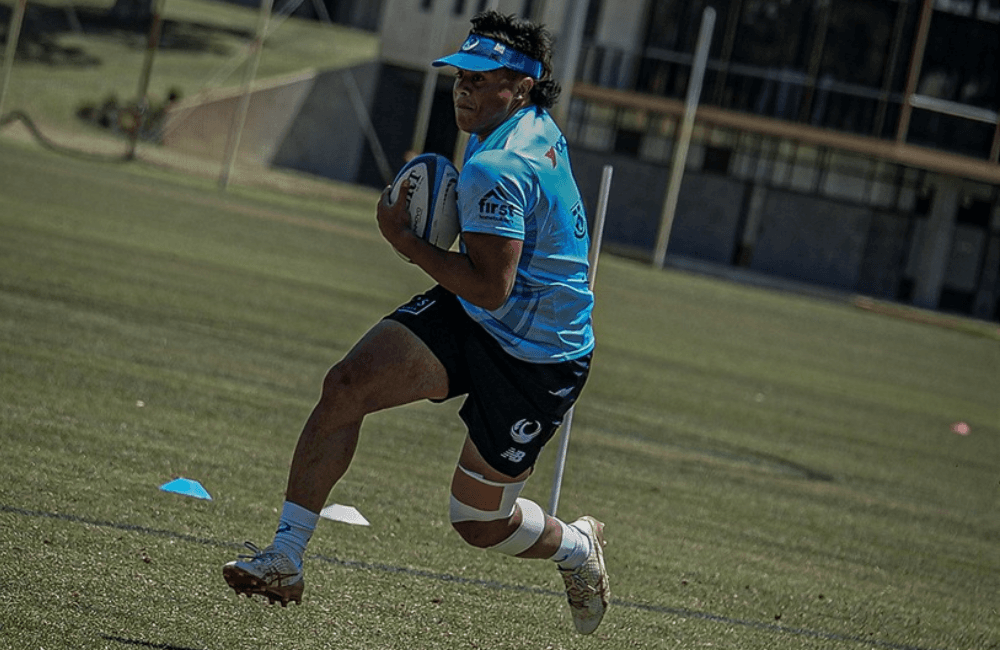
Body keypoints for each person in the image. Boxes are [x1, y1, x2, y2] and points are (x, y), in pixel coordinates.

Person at [222, 10, 610, 635]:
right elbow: (486, 287)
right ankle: (286, 556)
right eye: (462, 74)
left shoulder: (500, 163)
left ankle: (576, 549)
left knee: (477, 522)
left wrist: (403, 239)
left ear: (524, 87)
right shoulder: (523, 122)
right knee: (346, 384)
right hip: (481, 316)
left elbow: (490, 285)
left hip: (541, 355)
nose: (464, 87)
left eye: (483, 79)